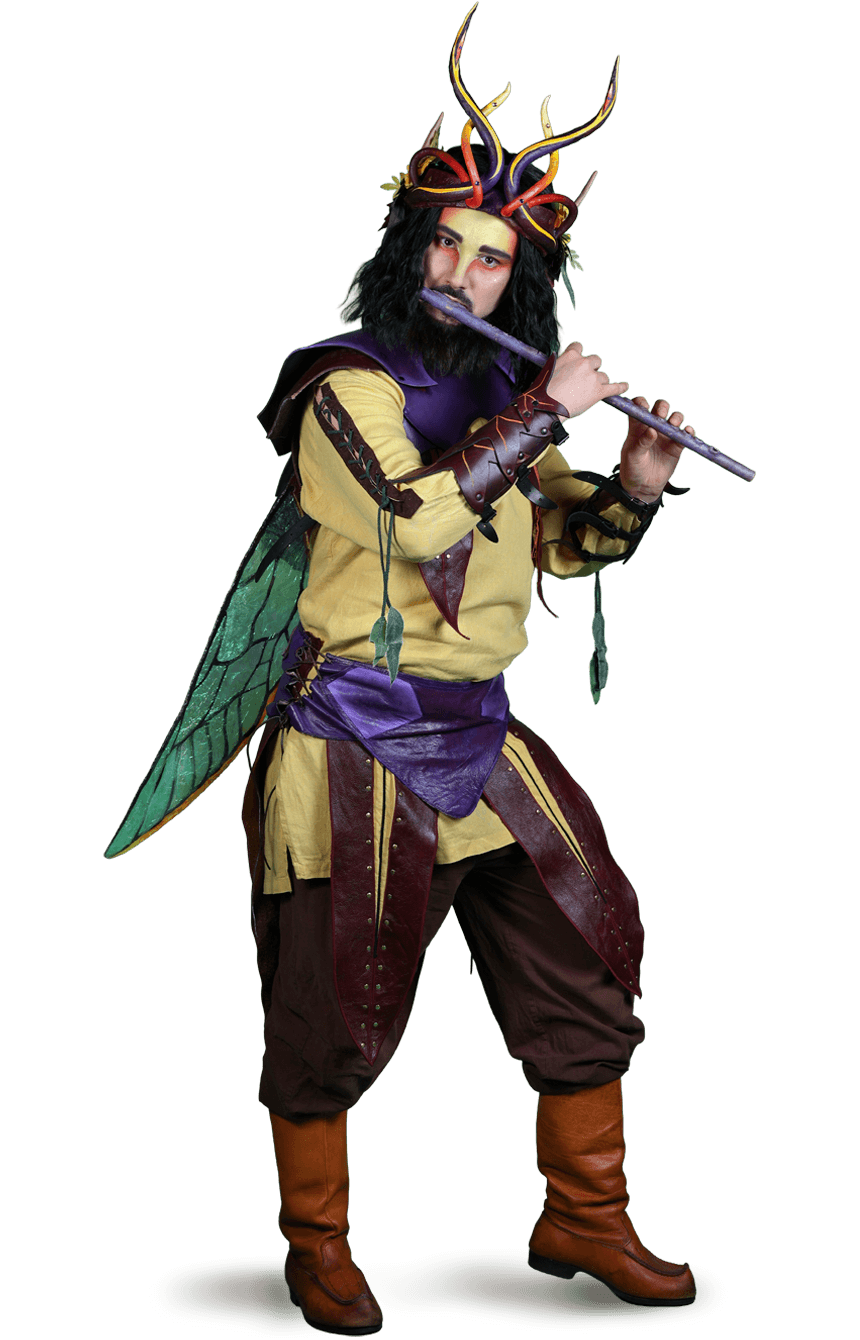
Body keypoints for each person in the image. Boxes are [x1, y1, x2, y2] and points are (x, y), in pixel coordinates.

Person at [237, 7, 701, 1333]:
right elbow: (416, 517)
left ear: (520, 283)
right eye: (445, 242)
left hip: (481, 738)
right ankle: (319, 1244)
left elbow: (556, 547)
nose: (464, 271)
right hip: (354, 736)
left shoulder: (506, 398)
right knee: (332, 1008)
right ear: (409, 247)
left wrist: (635, 486)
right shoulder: (342, 388)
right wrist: (547, 411)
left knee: (584, 957)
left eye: (493, 258)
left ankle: (585, 1215)